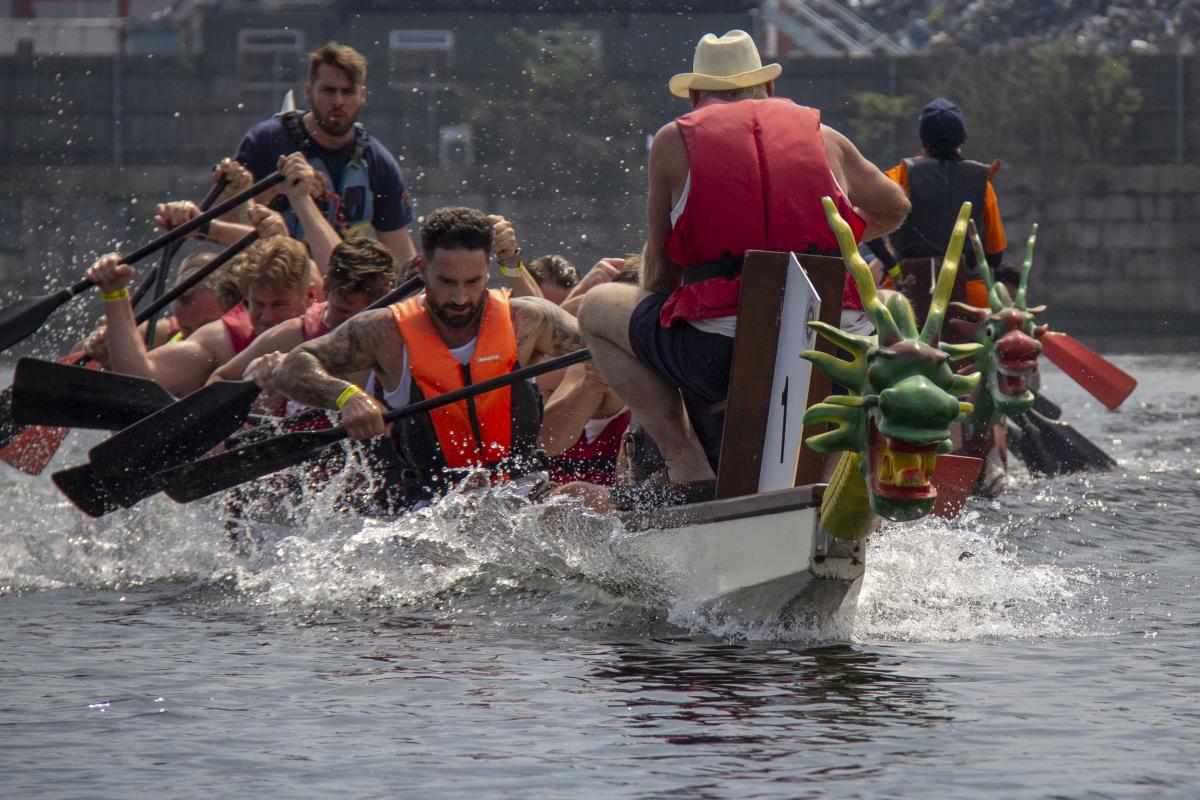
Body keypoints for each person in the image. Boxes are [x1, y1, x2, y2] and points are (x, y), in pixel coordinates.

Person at [577, 30, 909, 488]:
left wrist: (662, 306)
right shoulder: (824, 135)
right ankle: (834, 481)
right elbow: (895, 206)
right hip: (834, 346)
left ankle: (685, 464)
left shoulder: (674, 139)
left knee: (597, 308)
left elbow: (659, 273)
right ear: (768, 88)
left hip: (722, 355)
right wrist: (841, 241)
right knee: (884, 308)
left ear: (695, 95)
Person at [271, 206, 587, 506]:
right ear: (422, 269)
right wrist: (347, 397)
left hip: (522, 496)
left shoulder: (527, 321)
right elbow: (293, 368)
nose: (460, 297)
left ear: (487, 271)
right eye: (447, 282)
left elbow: (607, 348)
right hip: (433, 509)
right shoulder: (384, 332)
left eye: (472, 282)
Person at [232, 41, 417, 264]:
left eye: (348, 92)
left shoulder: (378, 162)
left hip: (345, 290)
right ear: (309, 92)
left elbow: (402, 256)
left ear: (362, 95)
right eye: (329, 91)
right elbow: (227, 220)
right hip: (275, 282)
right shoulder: (266, 141)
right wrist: (276, 189)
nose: (338, 101)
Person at [86, 223, 320, 397]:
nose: (267, 318)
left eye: (279, 305)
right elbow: (142, 380)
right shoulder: (221, 340)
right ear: (247, 297)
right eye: (258, 304)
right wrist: (115, 294)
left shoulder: (331, 322)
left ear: (310, 297)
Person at [866, 97, 1007, 315]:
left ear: (923, 140)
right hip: (972, 300)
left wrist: (891, 266)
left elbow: (864, 224)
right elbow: (995, 256)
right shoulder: (982, 180)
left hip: (908, 292)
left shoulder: (901, 174)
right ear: (961, 139)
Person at [210, 237, 398, 392]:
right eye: (343, 311)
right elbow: (220, 379)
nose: (355, 326)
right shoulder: (293, 335)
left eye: (368, 315)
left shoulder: (405, 335)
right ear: (325, 287)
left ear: (391, 297)